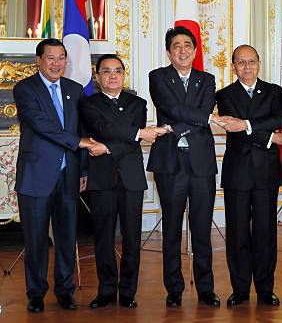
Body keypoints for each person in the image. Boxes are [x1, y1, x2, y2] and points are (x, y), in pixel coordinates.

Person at [13, 38, 97, 313]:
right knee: (36, 238)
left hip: (69, 174)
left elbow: (81, 127)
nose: (57, 63)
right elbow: (41, 125)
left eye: (61, 57)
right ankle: (36, 293)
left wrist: (83, 168)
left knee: (66, 236)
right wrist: (80, 143)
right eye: (51, 58)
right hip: (37, 175)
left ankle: (65, 290)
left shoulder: (74, 89)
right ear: (39, 61)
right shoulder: (25, 89)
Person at [79, 54, 168, 309]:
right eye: (106, 71)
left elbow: (119, 137)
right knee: (103, 236)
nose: (113, 75)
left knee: (131, 237)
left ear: (123, 74)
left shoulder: (137, 103)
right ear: (97, 76)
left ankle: (128, 290)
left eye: (118, 70)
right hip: (102, 178)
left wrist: (107, 147)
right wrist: (137, 134)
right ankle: (106, 290)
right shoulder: (88, 104)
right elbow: (104, 129)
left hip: (130, 177)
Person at [215, 45, 282, 307]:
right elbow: (234, 129)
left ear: (259, 63)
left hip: (266, 173)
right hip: (237, 173)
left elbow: (276, 119)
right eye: (241, 62)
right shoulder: (224, 95)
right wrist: (271, 136)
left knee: (265, 233)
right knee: (237, 234)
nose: (247, 67)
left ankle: (264, 289)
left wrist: (248, 125)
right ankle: (239, 290)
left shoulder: (275, 92)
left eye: (251, 62)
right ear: (233, 66)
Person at [147, 26, 221, 307]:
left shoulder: (207, 78)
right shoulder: (158, 77)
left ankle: (206, 288)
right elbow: (175, 107)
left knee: (202, 229)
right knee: (172, 230)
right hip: (170, 164)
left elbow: (197, 113)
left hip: (201, 164)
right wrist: (199, 120)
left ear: (194, 50)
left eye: (187, 45)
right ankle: (174, 289)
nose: (182, 50)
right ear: (169, 51)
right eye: (176, 45)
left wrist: (173, 127)